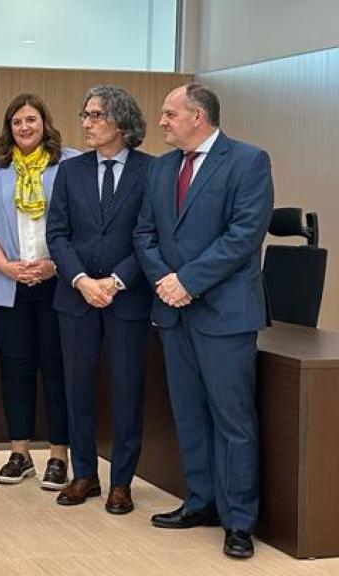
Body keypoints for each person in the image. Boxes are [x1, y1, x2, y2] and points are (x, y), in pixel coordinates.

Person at [135, 83, 273, 559]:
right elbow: (144, 233)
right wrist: (165, 281)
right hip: (173, 312)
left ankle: (238, 521)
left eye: (170, 113)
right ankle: (201, 501)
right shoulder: (162, 167)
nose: (162, 121)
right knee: (189, 413)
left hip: (224, 313)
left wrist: (188, 281)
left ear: (198, 116)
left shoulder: (248, 161)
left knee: (232, 419)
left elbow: (243, 235)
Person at [46, 85, 153, 514]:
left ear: (121, 122)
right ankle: (85, 474)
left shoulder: (153, 171)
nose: (85, 123)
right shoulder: (70, 171)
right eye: (84, 114)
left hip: (126, 299)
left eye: (94, 115)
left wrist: (116, 281)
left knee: (128, 391)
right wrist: (82, 281)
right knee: (77, 389)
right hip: (75, 298)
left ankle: (122, 483)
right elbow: (57, 233)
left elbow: (152, 234)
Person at [0, 93, 78, 489]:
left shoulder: (68, 162)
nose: (25, 128)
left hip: (57, 283)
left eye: (31, 120)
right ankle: (20, 453)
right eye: (17, 122)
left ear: (45, 123)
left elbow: (79, 224)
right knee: (15, 370)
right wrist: (4, 266)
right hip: (7, 285)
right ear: (8, 128)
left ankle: (58, 455)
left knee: (56, 369)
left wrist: (54, 265)